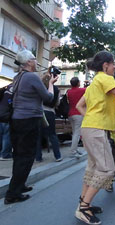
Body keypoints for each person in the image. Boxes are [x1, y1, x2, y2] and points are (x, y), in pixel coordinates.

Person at [75, 51, 115, 225]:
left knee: (93, 167)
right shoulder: (105, 78)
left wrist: (91, 119)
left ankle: (84, 202)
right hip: (96, 130)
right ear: (105, 65)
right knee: (107, 169)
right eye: (113, 64)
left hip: (91, 128)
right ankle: (83, 208)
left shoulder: (95, 82)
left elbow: (79, 106)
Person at [4, 50, 55, 204]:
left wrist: (44, 78)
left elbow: (30, 88)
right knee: (26, 157)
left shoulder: (18, 77)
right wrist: (51, 84)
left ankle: (19, 185)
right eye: (34, 59)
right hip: (29, 120)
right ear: (28, 62)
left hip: (17, 120)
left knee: (20, 155)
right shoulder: (31, 77)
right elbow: (48, 98)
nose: (36, 61)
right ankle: (13, 194)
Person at [36, 71, 62, 162]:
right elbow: (58, 103)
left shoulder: (41, 87)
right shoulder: (56, 90)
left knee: (38, 135)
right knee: (52, 134)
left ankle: (38, 157)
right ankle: (57, 156)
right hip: (50, 112)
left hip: (40, 111)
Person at [68, 77, 86, 158]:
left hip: (70, 114)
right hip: (78, 113)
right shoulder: (82, 90)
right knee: (77, 133)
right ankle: (73, 151)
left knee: (74, 132)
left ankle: (74, 148)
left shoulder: (68, 91)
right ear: (78, 83)